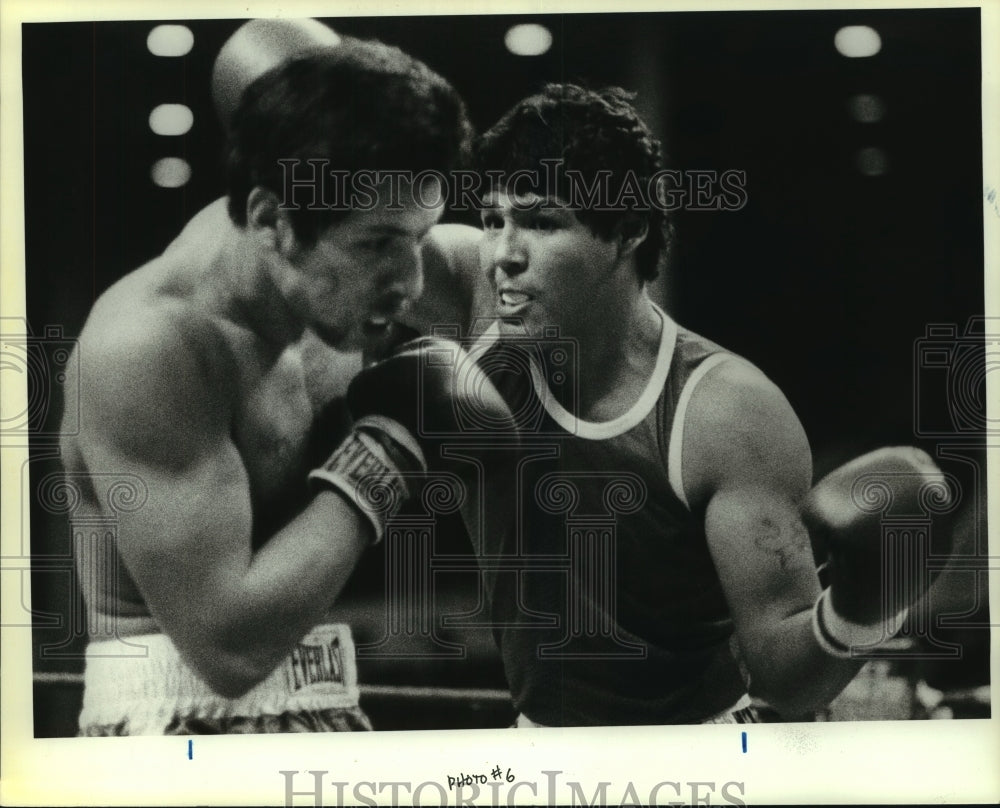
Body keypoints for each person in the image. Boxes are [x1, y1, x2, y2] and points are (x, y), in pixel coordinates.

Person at [398, 83, 952, 726]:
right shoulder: (476, 298)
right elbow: (359, 232)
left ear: (628, 229)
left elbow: (787, 680)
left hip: (701, 760)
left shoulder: (725, 414)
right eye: (493, 219)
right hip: (542, 747)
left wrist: (870, 606)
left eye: (544, 222)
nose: (503, 255)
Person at [59, 33, 481, 736]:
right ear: (271, 222)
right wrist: (393, 441)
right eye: (381, 244)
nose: (411, 280)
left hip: (329, 699)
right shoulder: (153, 346)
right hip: (177, 721)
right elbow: (230, 646)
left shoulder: (350, 240)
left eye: (421, 233)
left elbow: (483, 270)